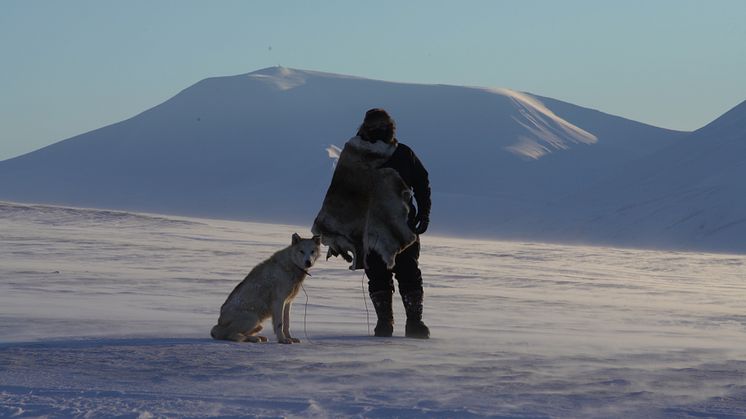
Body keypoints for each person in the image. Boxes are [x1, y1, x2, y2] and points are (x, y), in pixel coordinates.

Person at [357, 108, 431, 339]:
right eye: (375, 126)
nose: (379, 130)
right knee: (379, 275)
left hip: (403, 226)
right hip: (371, 227)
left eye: (383, 126)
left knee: (408, 272)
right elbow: (341, 192)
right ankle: (384, 322)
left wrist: (424, 213)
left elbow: (422, 182)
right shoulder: (356, 153)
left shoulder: (403, 153)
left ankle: (414, 323)